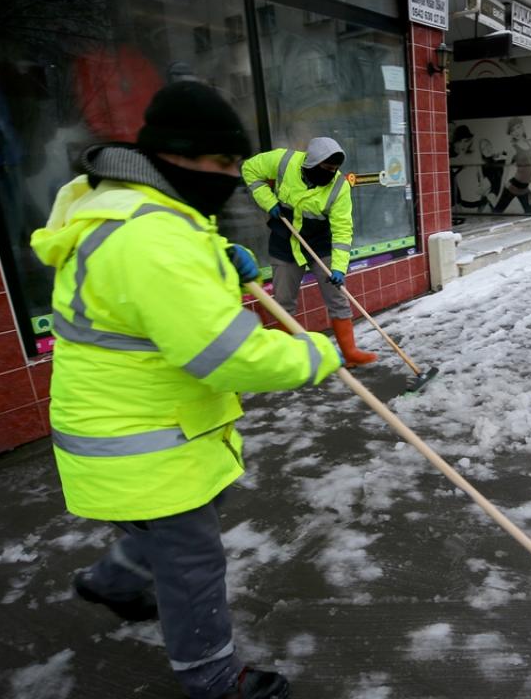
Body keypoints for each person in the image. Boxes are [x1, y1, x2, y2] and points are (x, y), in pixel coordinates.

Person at [31, 81, 341, 699]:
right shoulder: (151, 238)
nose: (229, 176)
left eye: (234, 163)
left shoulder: (130, 209)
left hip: (125, 426)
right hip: (140, 439)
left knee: (176, 525)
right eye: (221, 162)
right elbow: (225, 354)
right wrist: (315, 353)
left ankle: (114, 581)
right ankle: (214, 681)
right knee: (192, 560)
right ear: (177, 154)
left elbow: (158, 294)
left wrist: (222, 259)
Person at [241, 138, 378, 367]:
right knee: (283, 302)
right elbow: (249, 169)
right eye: (327, 168)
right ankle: (286, 360)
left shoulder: (339, 186)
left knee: (337, 297)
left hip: (320, 243)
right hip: (285, 240)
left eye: (334, 169)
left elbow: (343, 230)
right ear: (312, 162)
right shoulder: (284, 161)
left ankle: (350, 353)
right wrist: (268, 201)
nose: (331, 174)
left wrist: (338, 268)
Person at [493, 117, 531, 214]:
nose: (516, 132)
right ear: (511, 133)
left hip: (525, 189)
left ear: (522, 127)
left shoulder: (530, 143)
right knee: (496, 213)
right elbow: (505, 171)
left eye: (518, 127)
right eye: (512, 130)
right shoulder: (512, 148)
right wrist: (500, 193)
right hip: (512, 187)